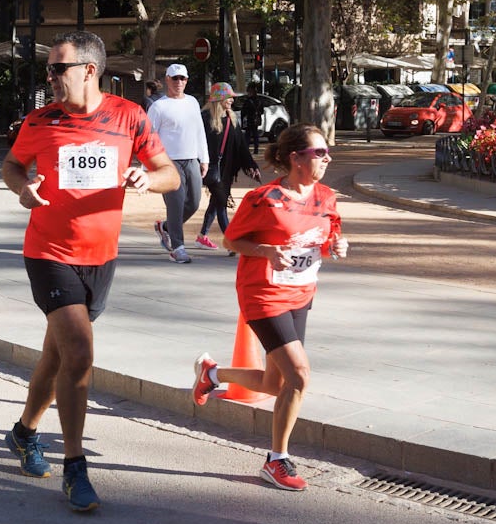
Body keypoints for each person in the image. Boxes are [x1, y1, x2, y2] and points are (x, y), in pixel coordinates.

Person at [1, 30, 179, 512]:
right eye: (49, 69)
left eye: (58, 68)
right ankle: (75, 466)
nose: (50, 77)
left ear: (88, 70)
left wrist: (147, 176)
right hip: (48, 251)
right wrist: (23, 188)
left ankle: (23, 433)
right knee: (79, 352)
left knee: (57, 357)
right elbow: (12, 165)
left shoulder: (129, 116)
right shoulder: (40, 121)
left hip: (100, 257)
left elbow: (171, 173)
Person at [191, 124, 348, 491]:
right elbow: (231, 238)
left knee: (275, 384)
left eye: (327, 152)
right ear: (295, 159)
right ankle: (277, 460)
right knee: (300, 376)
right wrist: (266, 251)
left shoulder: (326, 196)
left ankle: (212, 375)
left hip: (301, 292)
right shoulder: (265, 198)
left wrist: (336, 246)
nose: (327, 158)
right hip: (262, 292)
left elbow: (328, 234)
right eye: (319, 153)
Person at [147, 63, 208, 263]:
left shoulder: (192, 102)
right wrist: (149, 165)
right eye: (175, 78)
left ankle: (165, 227)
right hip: (169, 163)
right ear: (167, 80)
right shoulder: (158, 106)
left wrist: (204, 158)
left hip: (191, 159)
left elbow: (199, 131)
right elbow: (148, 136)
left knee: (193, 202)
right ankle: (178, 247)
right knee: (175, 204)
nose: (179, 82)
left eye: (182, 78)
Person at [197, 82, 260, 250]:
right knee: (221, 204)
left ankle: (202, 235)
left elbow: (241, 146)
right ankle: (232, 241)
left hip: (225, 169)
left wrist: (251, 165)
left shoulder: (232, 118)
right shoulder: (204, 118)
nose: (232, 100)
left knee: (216, 202)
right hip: (209, 168)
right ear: (219, 99)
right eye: (229, 97)